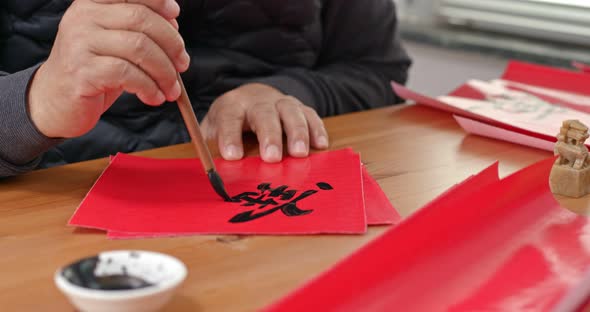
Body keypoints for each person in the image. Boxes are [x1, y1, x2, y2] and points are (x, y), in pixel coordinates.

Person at [0, 0, 411, 177]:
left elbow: (378, 69)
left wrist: (288, 91)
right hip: (48, 226)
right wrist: (36, 102)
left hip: (272, 227)